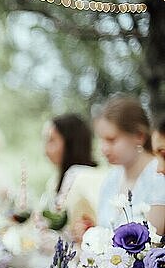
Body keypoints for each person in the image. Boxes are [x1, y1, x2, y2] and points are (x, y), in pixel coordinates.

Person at [95, 95, 165, 235]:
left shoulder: (159, 176)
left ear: (139, 136)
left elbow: (153, 241)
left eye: (111, 140)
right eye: (101, 140)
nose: (104, 149)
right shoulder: (111, 178)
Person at [42, 114, 104, 242]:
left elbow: (108, 222)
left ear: (71, 143)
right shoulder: (54, 181)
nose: (45, 149)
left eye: (52, 140)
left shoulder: (87, 176)